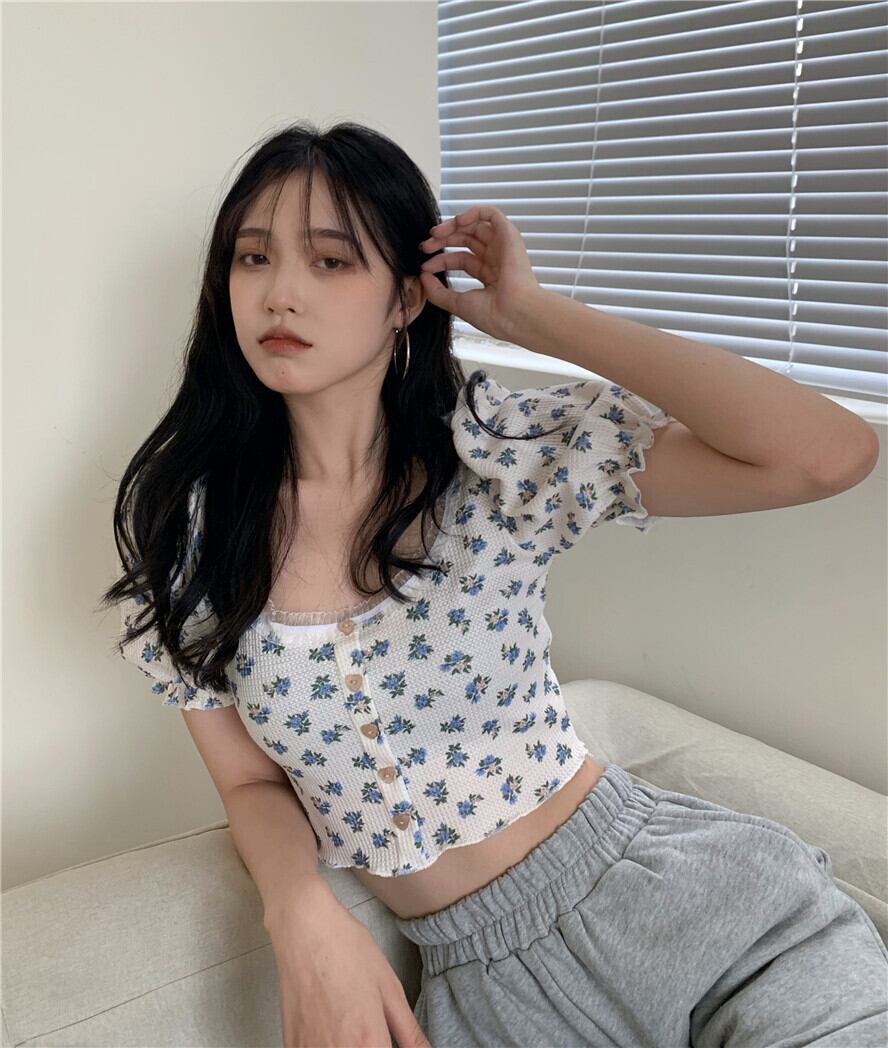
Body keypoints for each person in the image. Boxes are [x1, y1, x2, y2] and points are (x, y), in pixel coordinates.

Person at [103, 120, 887, 1047]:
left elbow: (826, 455)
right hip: (487, 996)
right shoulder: (194, 531)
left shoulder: (494, 454)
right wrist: (300, 913)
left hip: (698, 914)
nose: (280, 292)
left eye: (331, 261)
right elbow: (248, 780)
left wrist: (531, 314)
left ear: (406, 298)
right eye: (253, 256)